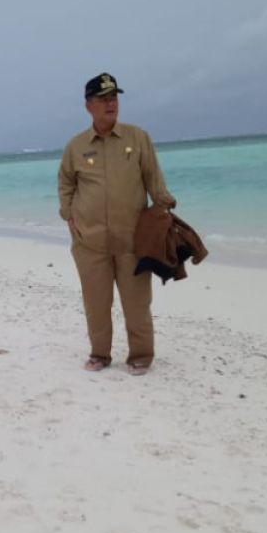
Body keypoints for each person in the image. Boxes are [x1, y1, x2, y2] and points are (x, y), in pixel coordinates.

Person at [57, 72, 177, 376]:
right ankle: (100, 354)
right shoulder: (76, 146)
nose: (111, 103)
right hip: (90, 241)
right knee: (96, 303)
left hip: (132, 240)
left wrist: (163, 209)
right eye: (104, 99)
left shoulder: (138, 138)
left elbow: (154, 179)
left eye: (114, 98)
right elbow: (66, 182)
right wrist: (68, 213)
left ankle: (141, 355)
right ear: (89, 106)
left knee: (137, 303)